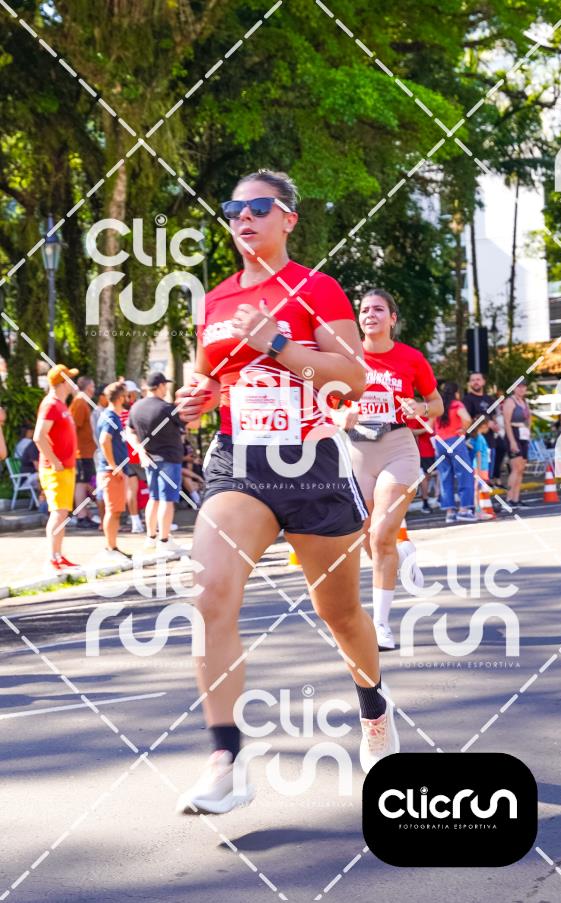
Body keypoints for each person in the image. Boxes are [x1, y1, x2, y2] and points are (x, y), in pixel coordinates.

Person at [173, 168, 398, 815]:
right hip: (239, 463)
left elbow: (353, 377)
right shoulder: (216, 300)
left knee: (341, 615)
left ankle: (374, 708)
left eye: (259, 207)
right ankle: (226, 760)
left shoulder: (314, 288)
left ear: (288, 219)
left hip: (311, 465)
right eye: (233, 208)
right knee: (209, 591)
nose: (243, 217)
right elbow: (208, 378)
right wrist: (198, 397)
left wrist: (276, 343)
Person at [333, 288, 442, 651]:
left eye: (379, 309)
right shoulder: (346, 358)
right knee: (368, 535)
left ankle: (380, 625)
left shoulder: (411, 358)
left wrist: (420, 409)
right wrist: (340, 414)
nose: (370, 315)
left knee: (380, 534)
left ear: (392, 318)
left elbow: (436, 403)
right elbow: (326, 402)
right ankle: (403, 554)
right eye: (365, 309)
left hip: (398, 447)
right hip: (358, 449)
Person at [127, 371, 184, 554]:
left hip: (149, 458)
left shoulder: (136, 408)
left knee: (154, 498)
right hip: (169, 457)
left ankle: (151, 538)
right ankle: (164, 539)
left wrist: (140, 450)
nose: (166, 388)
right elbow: (186, 426)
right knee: (167, 499)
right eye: (165, 385)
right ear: (159, 386)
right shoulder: (166, 408)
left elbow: (129, 432)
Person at [33, 364, 79, 572]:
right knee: (58, 513)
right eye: (69, 378)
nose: (73, 382)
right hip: (56, 469)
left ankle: (58, 555)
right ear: (63, 382)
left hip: (65, 467)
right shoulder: (51, 404)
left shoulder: (60, 405)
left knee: (62, 513)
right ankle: (52, 557)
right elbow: (39, 436)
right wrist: (54, 461)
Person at [96, 381, 131, 564]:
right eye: (126, 395)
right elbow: (104, 440)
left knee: (115, 510)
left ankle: (113, 546)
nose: (128, 398)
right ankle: (110, 548)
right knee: (113, 510)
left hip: (112, 470)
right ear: (120, 398)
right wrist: (114, 465)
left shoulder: (110, 415)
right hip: (111, 471)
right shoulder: (110, 416)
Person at [434, 382, 475, 523]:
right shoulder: (457, 404)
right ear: (456, 393)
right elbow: (467, 418)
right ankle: (464, 509)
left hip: (440, 443)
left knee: (445, 476)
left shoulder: (439, 406)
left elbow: (429, 423)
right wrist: (464, 429)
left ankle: (450, 512)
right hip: (455, 441)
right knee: (465, 473)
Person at [69, 375, 97, 529]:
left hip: (85, 451)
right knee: (81, 484)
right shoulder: (80, 403)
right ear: (88, 387)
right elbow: (73, 428)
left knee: (84, 482)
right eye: (92, 386)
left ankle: (84, 513)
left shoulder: (82, 402)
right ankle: (81, 516)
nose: (94, 390)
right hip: (80, 452)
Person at [119, 380, 145, 534]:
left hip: (126, 457)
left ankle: (136, 522)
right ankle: (151, 521)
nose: (135, 396)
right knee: (152, 488)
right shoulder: (135, 411)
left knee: (132, 490)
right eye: (134, 393)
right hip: (139, 455)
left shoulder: (118, 412)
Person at [462, 372, 499, 476]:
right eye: (473, 380)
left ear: (483, 382)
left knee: (487, 476)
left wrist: (496, 425)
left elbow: (494, 417)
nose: (475, 382)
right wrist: (485, 422)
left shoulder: (490, 399)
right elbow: (466, 420)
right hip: (474, 444)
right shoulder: (466, 400)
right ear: (469, 383)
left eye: (478, 379)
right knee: (475, 477)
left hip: (490, 443)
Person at [502, 382, 531, 509]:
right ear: (514, 388)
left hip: (523, 435)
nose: (521, 389)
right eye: (518, 387)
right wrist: (512, 441)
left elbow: (528, 419)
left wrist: (528, 433)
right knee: (515, 467)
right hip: (513, 434)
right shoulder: (510, 401)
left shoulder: (524, 402)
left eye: (523, 387)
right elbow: (506, 422)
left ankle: (516, 498)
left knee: (521, 468)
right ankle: (509, 499)